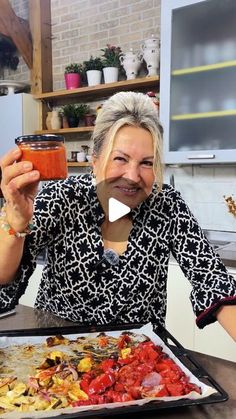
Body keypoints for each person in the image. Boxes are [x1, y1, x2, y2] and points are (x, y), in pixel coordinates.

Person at [0, 91, 236, 340]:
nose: (133, 176)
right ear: (95, 160)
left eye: (147, 163)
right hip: (57, 353)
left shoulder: (167, 206)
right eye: (120, 159)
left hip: (139, 362)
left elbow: (213, 281)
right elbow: (3, 277)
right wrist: (15, 221)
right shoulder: (63, 198)